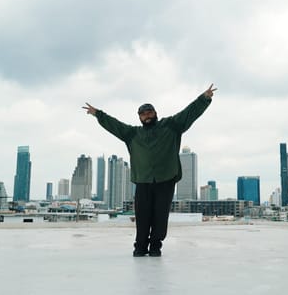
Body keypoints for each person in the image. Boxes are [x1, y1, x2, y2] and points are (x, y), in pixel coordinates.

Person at [83, 84, 216, 257]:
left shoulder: (171, 125)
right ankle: (140, 246)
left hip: (165, 180)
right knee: (143, 216)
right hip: (143, 181)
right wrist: (98, 114)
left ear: (155, 113)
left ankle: (155, 246)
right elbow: (114, 125)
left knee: (160, 217)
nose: (146, 115)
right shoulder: (133, 134)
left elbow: (188, 113)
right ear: (139, 117)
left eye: (149, 112)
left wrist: (204, 98)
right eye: (143, 114)